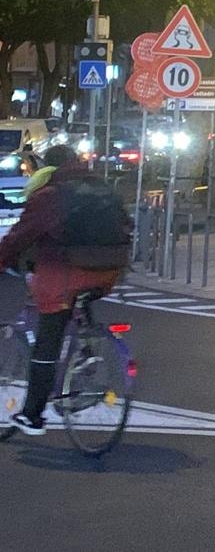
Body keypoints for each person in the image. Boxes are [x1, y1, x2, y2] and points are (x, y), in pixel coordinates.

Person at [0, 147, 129, 435]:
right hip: (110, 269)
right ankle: (87, 352)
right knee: (82, 297)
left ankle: (32, 416)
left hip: (66, 273)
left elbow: (19, 237)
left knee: (48, 338)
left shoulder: (50, 196)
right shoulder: (104, 189)